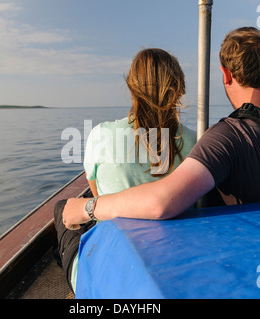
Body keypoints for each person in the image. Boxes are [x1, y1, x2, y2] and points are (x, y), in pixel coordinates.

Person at [62, 27, 260, 228]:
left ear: (226, 74)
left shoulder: (227, 137)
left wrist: (87, 207)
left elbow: (161, 203)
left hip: (258, 250)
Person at [55, 48, 197, 292]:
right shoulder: (197, 141)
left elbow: (96, 195)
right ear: (179, 89)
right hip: (175, 259)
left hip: (109, 269)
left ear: (132, 88)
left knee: (62, 209)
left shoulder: (102, 135)